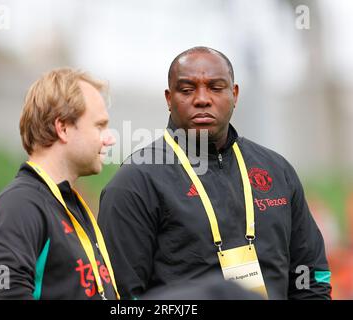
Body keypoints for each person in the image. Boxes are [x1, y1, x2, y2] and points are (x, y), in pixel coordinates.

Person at [98, 47, 332, 300]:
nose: (202, 99)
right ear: (168, 99)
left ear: (235, 94)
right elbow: (120, 296)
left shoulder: (277, 170)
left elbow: (311, 276)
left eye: (216, 88)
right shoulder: (136, 181)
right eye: (187, 90)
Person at [0, 68, 119, 300]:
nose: (110, 138)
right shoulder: (19, 205)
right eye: (100, 126)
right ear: (63, 128)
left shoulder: (67, 204)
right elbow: (6, 295)